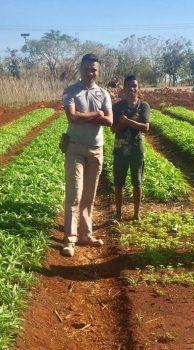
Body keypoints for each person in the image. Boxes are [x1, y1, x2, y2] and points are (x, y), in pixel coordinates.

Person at [61, 53, 113, 258]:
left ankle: (85, 234)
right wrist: (97, 114)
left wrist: (90, 117)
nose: (90, 72)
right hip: (75, 148)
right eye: (87, 68)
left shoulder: (104, 94)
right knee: (74, 194)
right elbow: (72, 117)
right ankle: (69, 239)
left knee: (89, 195)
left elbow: (109, 121)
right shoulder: (70, 91)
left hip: (96, 149)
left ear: (98, 72)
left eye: (94, 69)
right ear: (80, 69)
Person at [111, 75, 150, 221]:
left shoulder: (143, 106)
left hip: (136, 148)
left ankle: (136, 214)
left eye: (135, 86)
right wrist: (133, 122)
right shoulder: (117, 106)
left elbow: (145, 127)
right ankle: (119, 214)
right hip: (120, 146)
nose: (132, 89)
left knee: (137, 182)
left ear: (138, 89)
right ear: (124, 88)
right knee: (118, 183)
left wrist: (126, 121)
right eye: (129, 86)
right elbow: (113, 129)